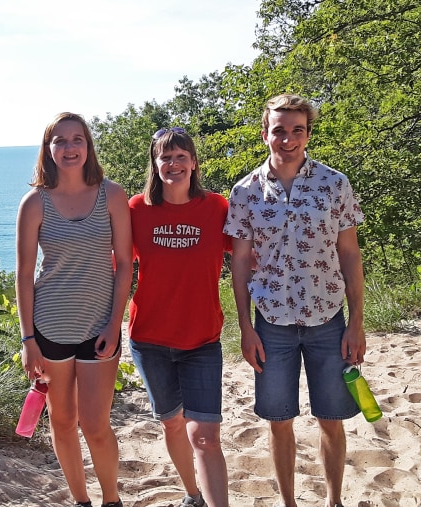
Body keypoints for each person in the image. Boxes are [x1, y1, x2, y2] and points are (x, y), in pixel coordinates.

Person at [224, 94, 366, 507]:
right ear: (265, 132)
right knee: (279, 421)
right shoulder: (245, 191)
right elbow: (239, 266)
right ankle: (288, 502)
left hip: (328, 319)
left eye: (297, 131)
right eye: (279, 130)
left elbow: (350, 254)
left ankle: (333, 501)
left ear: (308, 133)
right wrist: (245, 327)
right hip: (271, 323)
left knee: (332, 419)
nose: (288, 139)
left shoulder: (334, 183)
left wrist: (356, 322)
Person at [15, 112, 132, 507]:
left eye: (76, 139)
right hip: (49, 328)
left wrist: (116, 324)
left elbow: (125, 264)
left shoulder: (112, 195)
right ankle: (81, 501)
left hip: (100, 326)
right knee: (63, 423)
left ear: (88, 146)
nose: (69, 148)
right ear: (48, 149)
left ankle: (111, 500)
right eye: (59, 140)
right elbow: (24, 275)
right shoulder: (34, 203)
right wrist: (27, 339)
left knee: (97, 425)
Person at [128, 127, 232, 507]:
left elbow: (246, 256)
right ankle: (193, 495)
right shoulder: (136, 209)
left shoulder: (217, 207)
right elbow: (118, 267)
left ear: (194, 163)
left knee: (205, 435)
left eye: (181, 156)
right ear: (155, 165)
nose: (173, 164)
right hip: (150, 340)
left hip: (202, 340)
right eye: (165, 157)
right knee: (171, 422)